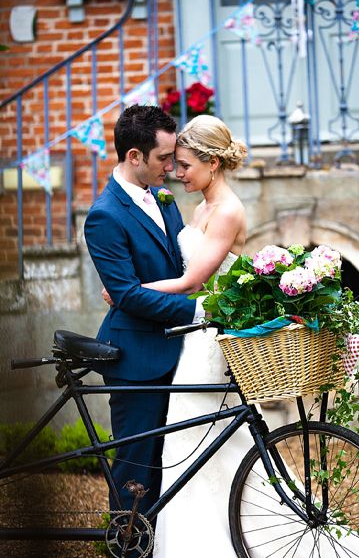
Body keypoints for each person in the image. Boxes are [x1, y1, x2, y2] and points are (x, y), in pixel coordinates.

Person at [84, 105, 198, 517]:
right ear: (134, 156)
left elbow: (184, 265)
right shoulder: (104, 216)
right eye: (164, 158)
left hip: (180, 353)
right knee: (136, 472)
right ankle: (127, 545)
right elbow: (129, 297)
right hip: (138, 361)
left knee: (177, 465)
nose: (172, 166)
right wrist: (198, 309)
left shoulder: (163, 197)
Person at [145, 114, 248, 557]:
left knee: (205, 436)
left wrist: (133, 291)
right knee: (184, 439)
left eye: (185, 164)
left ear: (212, 162)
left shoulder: (227, 210)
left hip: (208, 337)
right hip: (190, 332)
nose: (177, 172)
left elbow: (193, 282)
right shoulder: (201, 206)